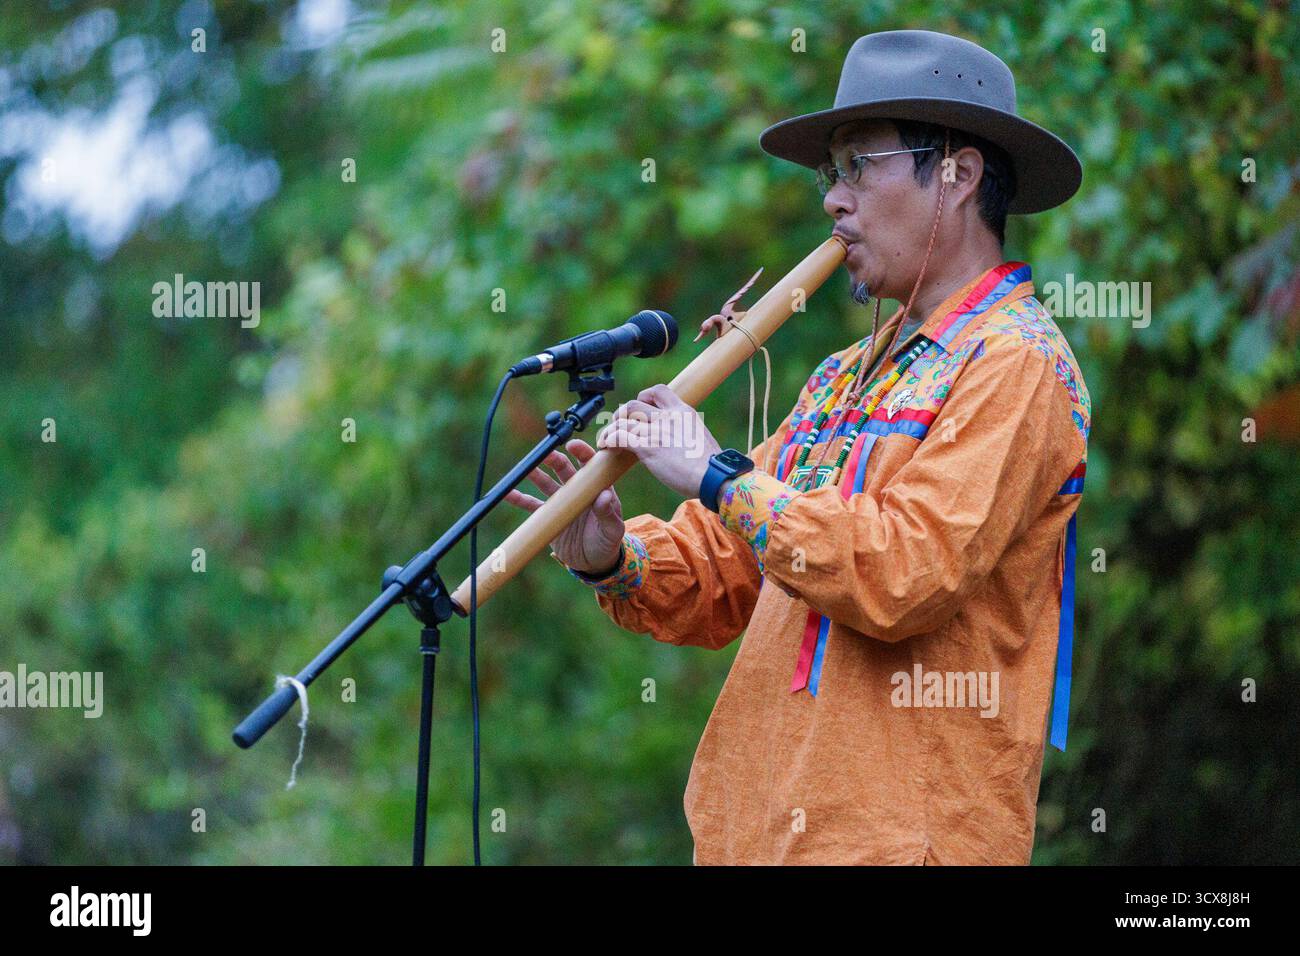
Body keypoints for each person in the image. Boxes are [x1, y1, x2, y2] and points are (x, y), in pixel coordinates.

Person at [504, 29, 1091, 865]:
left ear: (956, 176)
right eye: (831, 172)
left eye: (860, 166)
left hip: (898, 845)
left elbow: (905, 574)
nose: (833, 201)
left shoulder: (1018, 363)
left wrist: (712, 472)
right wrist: (613, 558)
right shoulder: (843, 376)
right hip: (757, 837)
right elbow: (724, 574)